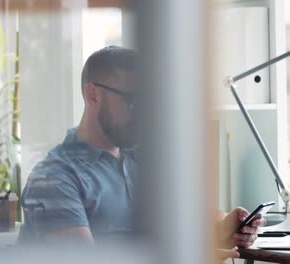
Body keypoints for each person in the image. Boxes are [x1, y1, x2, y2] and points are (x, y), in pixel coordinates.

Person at [21, 46, 265, 260]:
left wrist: (230, 226)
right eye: (134, 102)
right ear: (93, 95)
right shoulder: (53, 178)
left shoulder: (142, 159)